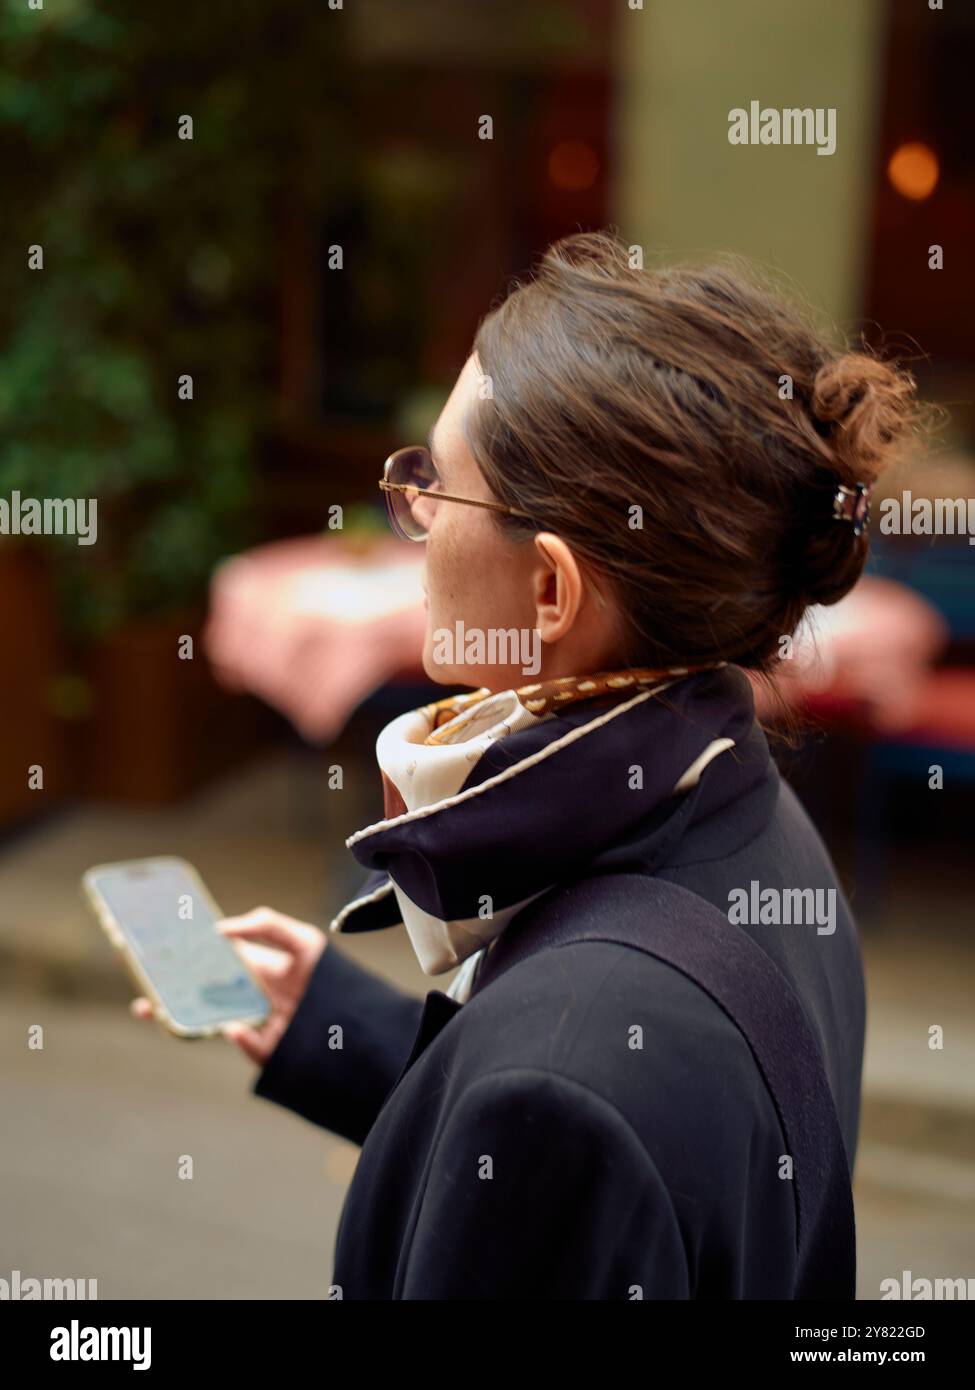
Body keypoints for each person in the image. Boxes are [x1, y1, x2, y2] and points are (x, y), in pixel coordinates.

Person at [133, 230, 926, 1299]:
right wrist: (342, 1028)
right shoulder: (754, 820)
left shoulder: (559, 1086)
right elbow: (629, 1172)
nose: (408, 513)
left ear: (550, 593)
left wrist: (515, 1073)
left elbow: (569, 1118)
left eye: (433, 484)